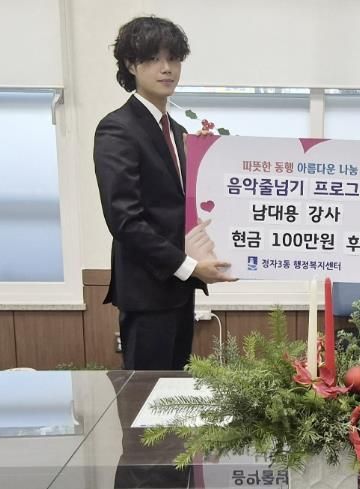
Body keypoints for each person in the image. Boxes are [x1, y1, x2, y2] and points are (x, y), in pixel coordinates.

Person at [94, 16, 236, 371]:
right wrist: (189, 267)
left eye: (173, 58)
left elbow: (183, 206)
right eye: (154, 59)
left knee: (174, 395)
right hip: (147, 291)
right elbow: (125, 220)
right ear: (131, 64)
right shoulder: (117, 128)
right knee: (145, 396)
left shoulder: (177, 130)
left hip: (179, 290)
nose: (167, 68)